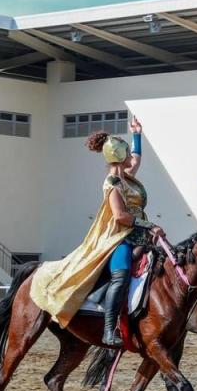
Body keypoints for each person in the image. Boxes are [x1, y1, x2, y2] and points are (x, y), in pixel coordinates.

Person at [30, 116, 164, 348]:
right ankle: (109, 330)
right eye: (127, 152)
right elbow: (121, 216)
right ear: (119, 157)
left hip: (142, 237)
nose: (131, 156)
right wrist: (148, 225)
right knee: (120, 278)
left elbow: (138, 158)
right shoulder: (112, 183)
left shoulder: (128, 177)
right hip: (119, 239)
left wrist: (137, 135)